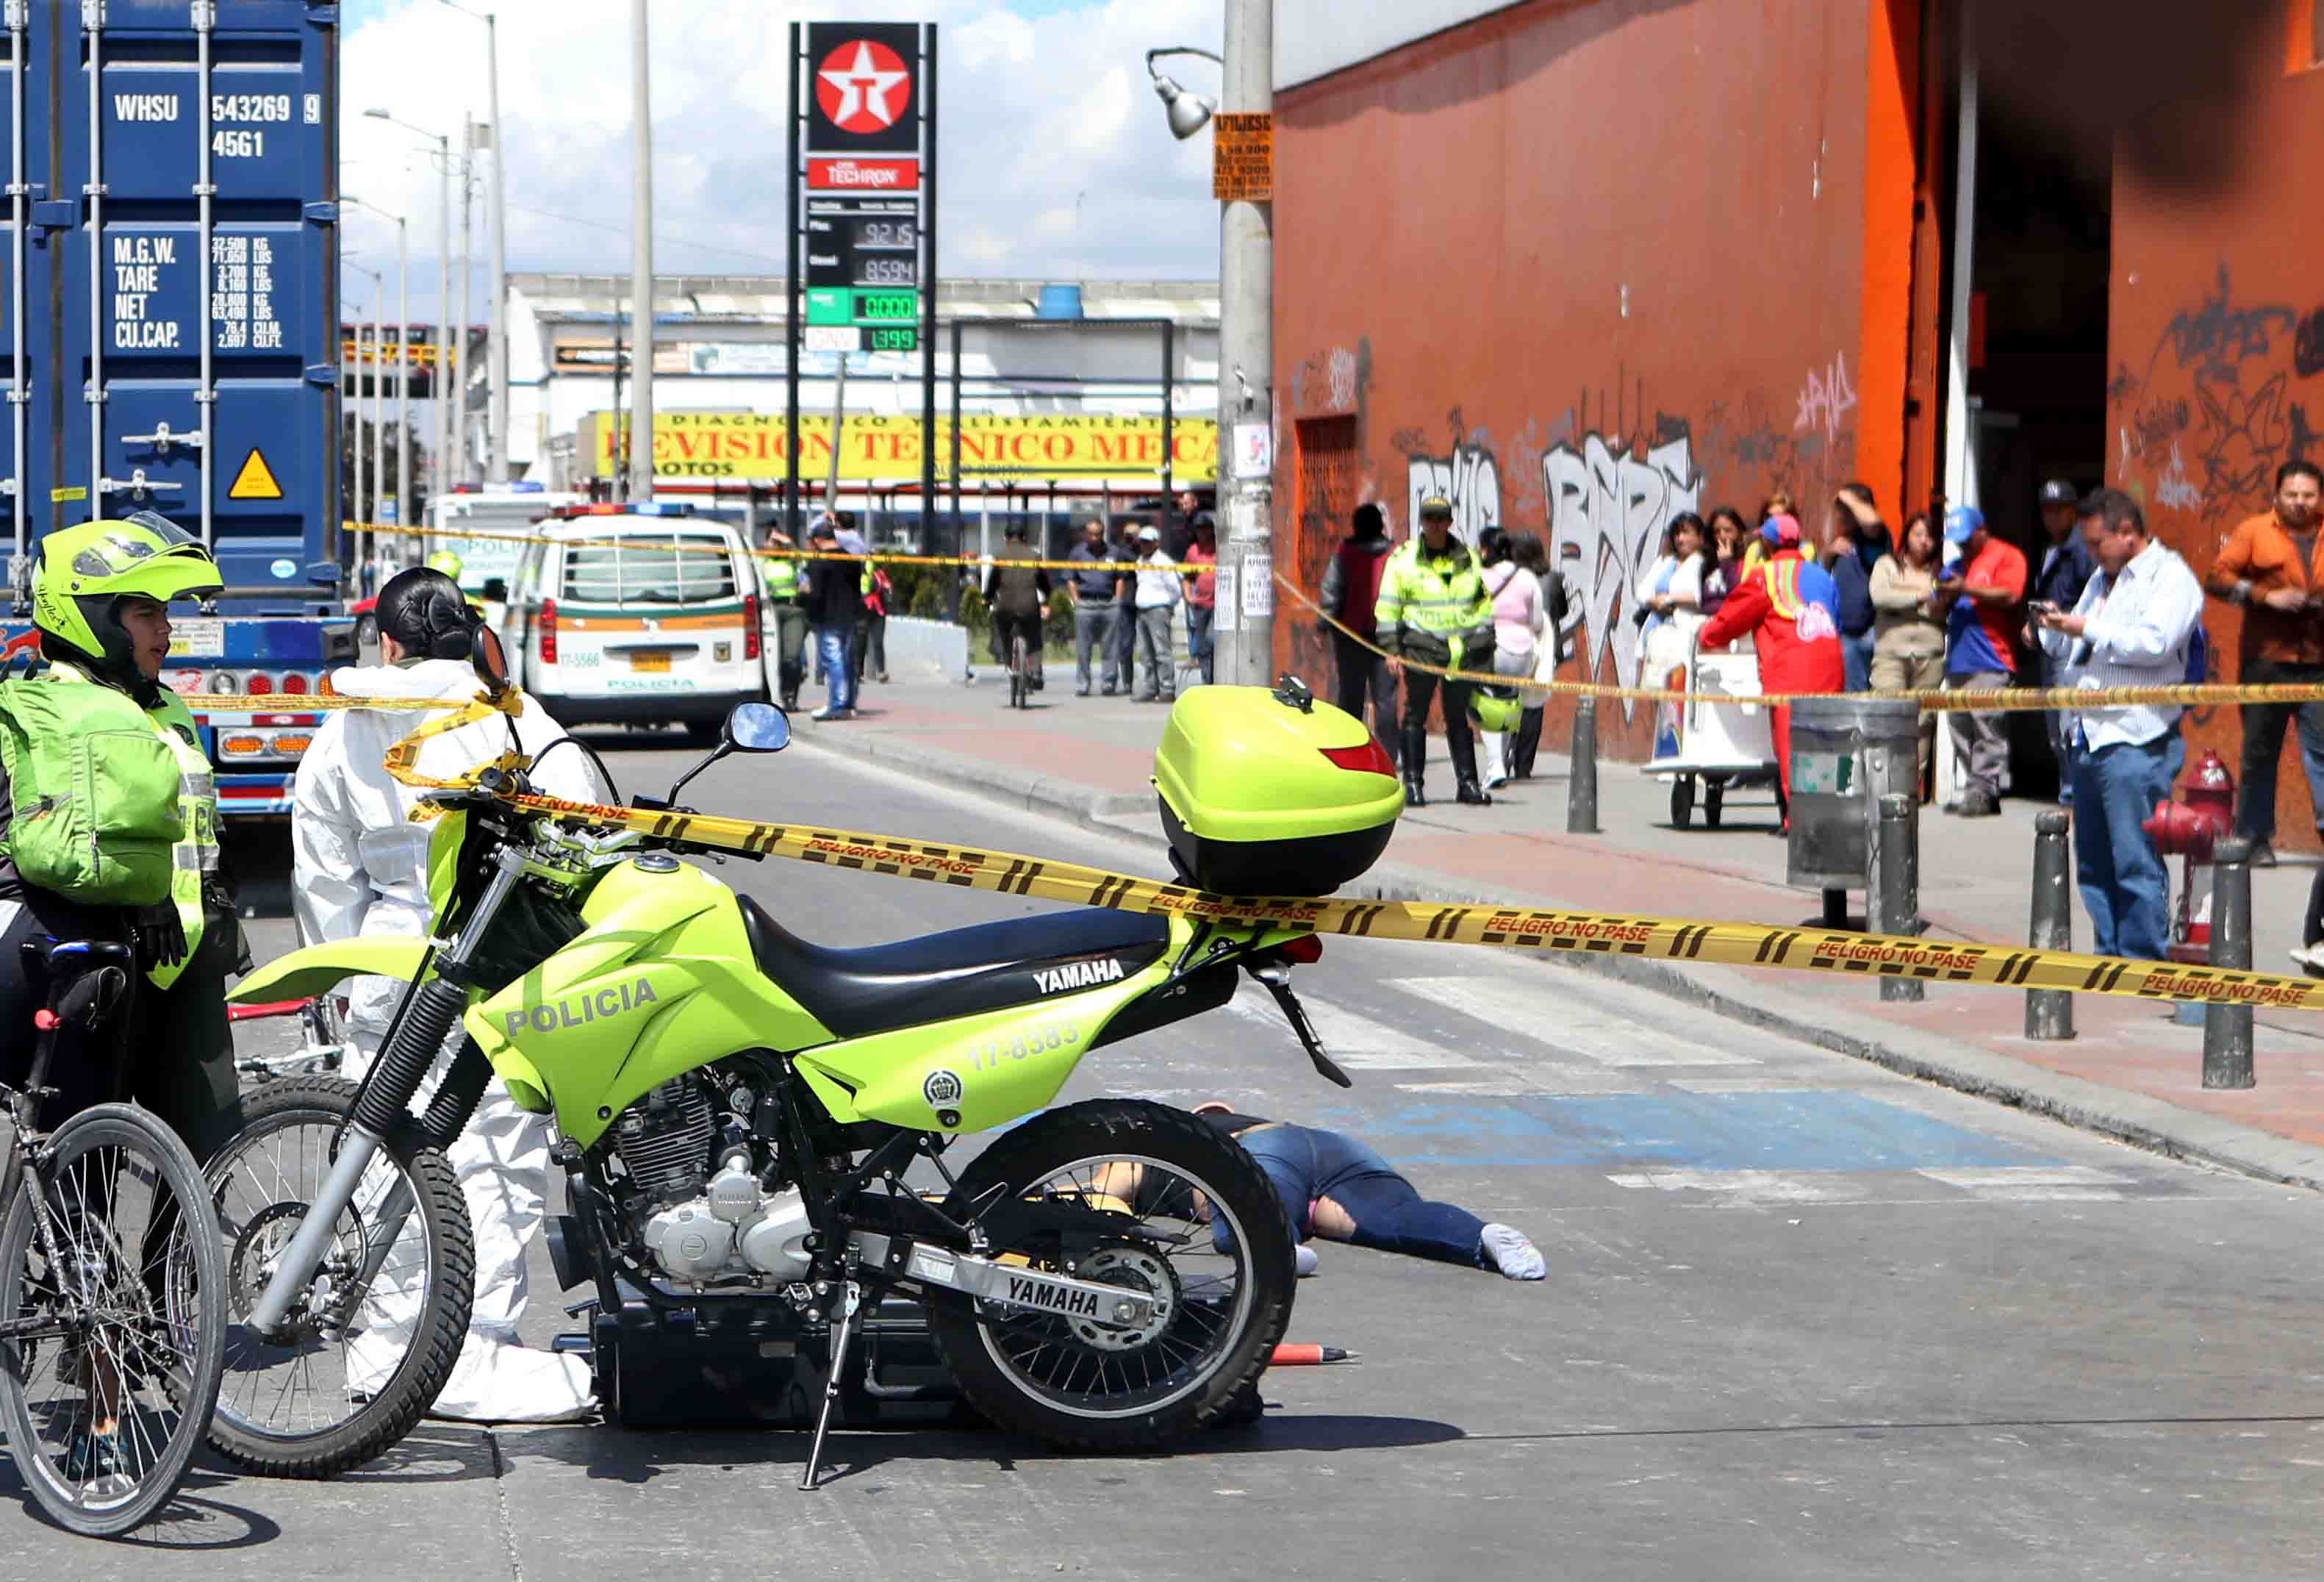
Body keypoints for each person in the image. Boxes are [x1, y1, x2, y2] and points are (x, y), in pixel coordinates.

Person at [294, 565, 609, 1423]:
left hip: (389, 964)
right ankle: (474, 1353)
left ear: (388, 643)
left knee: (384, 1155)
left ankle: (385, 1349)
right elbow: (584, 834)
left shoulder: (345, 733)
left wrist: (343, 972)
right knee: (498, 1158)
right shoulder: (519, 721)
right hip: (500, 961)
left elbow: (324, 875)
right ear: (469, 634)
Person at [0, 517, 240, 1164]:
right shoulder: (43, 711)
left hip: (186, 963)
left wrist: (215, 905)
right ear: (90, 617)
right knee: (85, 1173)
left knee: (209, 1155)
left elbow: (193, 827)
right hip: (96, 964)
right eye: (144, 614)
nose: (165, 630)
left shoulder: (167, 707)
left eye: (165, 613)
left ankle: (187, 1273)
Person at [2031, 490, 2201, 962]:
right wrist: (2049, 630)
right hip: (2087, 733)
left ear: (2128, 533)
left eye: (2096, 542)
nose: (2090, 552)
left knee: (2135, 859)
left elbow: (2155, 644)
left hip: (2135, 735)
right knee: (2093, 862)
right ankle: (2109, 956)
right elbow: (2078, 646)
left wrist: (2084, 628)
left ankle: (2143, 961)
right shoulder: (2103, 580)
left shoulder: (2170, 578)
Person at [1191, 1103, 1544, 1280]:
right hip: (1332, 1148)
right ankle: (1483, 1236)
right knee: (1392, 1216)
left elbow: (1131, 1183)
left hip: (1265, 1150)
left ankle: (1275, 1247)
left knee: (1239, 1220)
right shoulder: (1243, 1120)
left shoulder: (1171, 1144)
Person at [2203, 459, 2324, 867]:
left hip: (2318, 663)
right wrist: (2263, 596)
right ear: (2277, 496)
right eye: (2292, 495)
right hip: (2266, 663)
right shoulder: (2254, 532)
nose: (2300, 503)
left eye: (2309, 495)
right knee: (2259, 752)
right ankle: (2254, 838)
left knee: (2323, 752)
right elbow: (2217, 578)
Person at [1696, 512, 1844, 826]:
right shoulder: (1820, 575)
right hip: (1831, 667)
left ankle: (1799, 821)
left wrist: (1705, 636)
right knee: (1827, 740)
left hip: (1791, 671)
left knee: (1792, 746)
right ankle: (1833, 810)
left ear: (1767, 542)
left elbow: (1730, 620)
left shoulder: (1766, 576)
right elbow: (1836, 619)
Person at [1377, 493, 1498, 807]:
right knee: (1415, 716)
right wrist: (1391, 650)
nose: (1435, 525)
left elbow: (1481, 603)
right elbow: (1388, 607)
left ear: (1449, 522)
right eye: (1429, 519)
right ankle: (1414, 785)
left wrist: (1484, 644)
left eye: (1441, 518)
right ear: (1422, 522)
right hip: (1421, 647)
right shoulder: (1403, 560)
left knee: (1458, 718)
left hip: (1460, 651)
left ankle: (1468, 784)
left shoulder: (1467, 557)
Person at [1935, 505, 2029, 817]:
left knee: (1987, 725)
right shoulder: (1954, 565)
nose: (1962, 546)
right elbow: (1939, 608)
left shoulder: (2007, 556)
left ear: (1982, 531)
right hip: (1959, 657)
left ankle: (1984, 788)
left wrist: (1966, 588)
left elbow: (2010, 595)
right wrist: (1942, 596)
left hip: (1991, 656)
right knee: (1959, 725)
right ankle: (1977, 784)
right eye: (1957, 541)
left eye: (1967, 539)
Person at [1869, 511, 1948, 795]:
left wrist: (1901, 599)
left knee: (1923, 721)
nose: (1924, 541)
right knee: (1888, 716)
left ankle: (1910, 787)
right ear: (1907, 536)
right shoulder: (1887, 565)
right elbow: (1880, 597)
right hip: (1891, 654)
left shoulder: (1941, 571)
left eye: (1929, 536)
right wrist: (1919, 596)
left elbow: (1941, 607)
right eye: (1918, 534)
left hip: (1929, 654)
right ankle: (1884, 786)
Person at [1319, 501, 1400, 768]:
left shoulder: (1344, 553)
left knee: (1351, 697)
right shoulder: (1395, 554)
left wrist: (1323, 625)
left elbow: (1331, 591)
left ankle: (1350, 754)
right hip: (1386, 640)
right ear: (1380, 525)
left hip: (1349, 636)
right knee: (1385, 701)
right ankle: (1388, 757)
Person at [2033, 479, 2098, 805]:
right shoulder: (2049, 548)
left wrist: (2068, 617)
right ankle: (2068, 785)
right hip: (2051, 637)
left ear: (2073, 511)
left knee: (2069, 718)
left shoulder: (2084, 548)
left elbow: (2096, 596)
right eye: (2047, 510)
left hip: (2072, 638)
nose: (2053, 517)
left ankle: (2073, 790)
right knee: (2055, 719)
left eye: (2060, 510)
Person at [1638, 513, 1708, 761]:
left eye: (1687, 532)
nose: (1681, 538)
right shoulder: (1666, 562)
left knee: (1680, 694)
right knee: (1661, 693)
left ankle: (1681, 754)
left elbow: (1703, 596)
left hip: (1684, 636)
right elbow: (1642, 590)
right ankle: (1665, 753)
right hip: (1659, 635)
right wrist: (1654, 601)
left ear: (1700, 537)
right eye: (1677, 533)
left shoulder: (1702, 564)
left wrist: (1672, 599)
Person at [1481, 528, 1546, 789]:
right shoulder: (1528, 578)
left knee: (1487, 706)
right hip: (1522, 652)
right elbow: (1538, 621)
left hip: (1491, 648)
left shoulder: (1481, 577)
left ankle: (1495, 764)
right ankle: (1502, 761)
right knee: (1509, 706)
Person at [1826, 484, 1891, 692]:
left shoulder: (1875, 539)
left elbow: (1872, 523)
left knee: (1865, 702)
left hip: (1869, 633)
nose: (1841, 517)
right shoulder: (1841, 542)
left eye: (1847, 510)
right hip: (1845, 634)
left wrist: (1850, 499)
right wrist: (1829, 554)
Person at [1505, 534, 1558, 780]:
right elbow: (1562, 608)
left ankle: (1504, 756)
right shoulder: (1553, 579)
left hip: (1518, 641)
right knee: (1535, 704)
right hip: (1546, 644)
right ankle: (1524, 764)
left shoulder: (1513, 580)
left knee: (1510, 699)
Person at [801, 517, 862, 720]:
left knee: (833, 661)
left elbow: (815, 594)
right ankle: (848, 703)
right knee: (847, 660)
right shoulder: (850, 559)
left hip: (828, 617)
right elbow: (857, 589)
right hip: (850, 616)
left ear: (818, 540)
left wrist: (803, 596)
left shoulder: (819, 563)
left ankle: (837, 705)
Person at [982, 522, 1051, 692]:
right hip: (1029, 607)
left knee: (1001, 628)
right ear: (1024, 539)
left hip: (1005, 607)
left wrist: (987, 599)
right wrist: (1048, 599)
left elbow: (992, 583)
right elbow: (1044, 583)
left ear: (1005, 538)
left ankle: (1005, 658)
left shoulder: (1000, 556)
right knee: (1034, 634)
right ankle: (1035, 671)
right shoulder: (1034, 556)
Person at [1065, 514, 1125, 696]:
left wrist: (1118, 601)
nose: (1095, 538)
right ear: (1086, 534)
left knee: (1111, 647)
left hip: (1108, 604)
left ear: (1103, 534)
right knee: (1083, 648)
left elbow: (1120, 578)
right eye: (1091, 534)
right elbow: (1070, 578)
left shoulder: (1114, 552)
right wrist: (1076, 600)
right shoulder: (1077, 553)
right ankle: (1083, 684)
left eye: (1098, 534)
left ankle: (1109, 683)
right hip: (1086, 604)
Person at [1130, 524, 1182, 704]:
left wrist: (1168, 606)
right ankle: (1150, 688)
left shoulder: (1164, 562)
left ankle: (1167, 689)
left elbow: (1175, 588)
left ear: (1156, 543)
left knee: (1162, 652)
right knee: (1145, 653)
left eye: (1147, 542)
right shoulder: (1140, 561)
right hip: (1142, 611)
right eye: (1142, 542)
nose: (1144, 545)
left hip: (1159, 610)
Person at [759, 526, 808, 712]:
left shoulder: (791, 560)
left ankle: (789, 695)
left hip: (792, 609)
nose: (776, 546)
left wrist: (787, 541)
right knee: (772, 656)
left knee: (792, 656)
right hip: (769, 609)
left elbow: (800, 558)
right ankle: (772, 696)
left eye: (779, 543)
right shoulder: (762, 560)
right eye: (773, 542)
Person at [1182, 513, 1218, 686]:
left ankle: (1216, 678)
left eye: (1205, 528)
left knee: (1212, 640)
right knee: (1203, 646)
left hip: (1218, 605)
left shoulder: (1220, 548)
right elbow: (1187, 577)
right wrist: (1188, 596)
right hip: (1201, 605)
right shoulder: (1192, 551)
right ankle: (1207, 680)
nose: (1202, 532)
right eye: (1199, 529)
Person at [1698, 507, 1751, 620]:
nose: (1722, 536)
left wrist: (1727, 563)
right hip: (1706, 621)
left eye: (1728, 530)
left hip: (1731, 621)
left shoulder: (1746, 561)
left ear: (1739, 532)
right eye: (1717, 532)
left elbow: (1738, 596)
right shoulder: (1708, 563)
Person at [852, 556, 892, 687]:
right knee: (861, 643)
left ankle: (881, 671)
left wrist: (887, 593)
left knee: (878, 642)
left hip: (878, 611)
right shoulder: (858, 574)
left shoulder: (880, 575)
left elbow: (888, 590)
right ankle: (858, 673)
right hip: (863, 610)